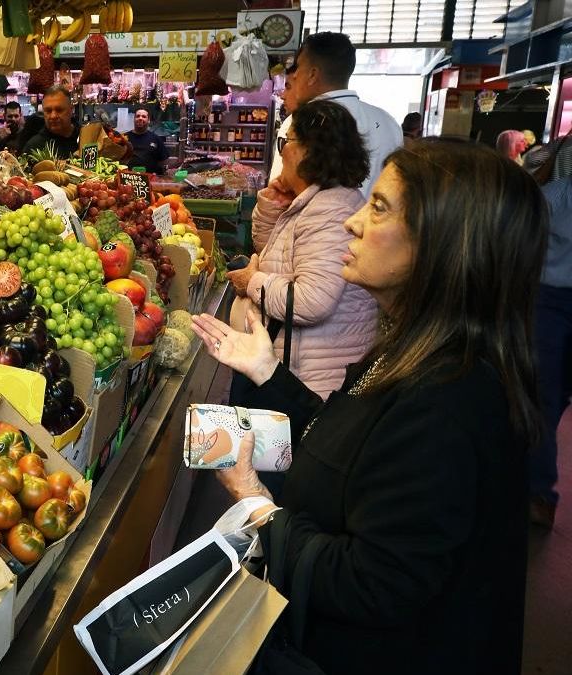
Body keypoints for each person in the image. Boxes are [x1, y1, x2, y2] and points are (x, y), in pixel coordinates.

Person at [193, 137, 542, 674]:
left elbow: (373, 584)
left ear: (443, 243)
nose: (354, 223)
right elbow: (351, 448)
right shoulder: (415, 352)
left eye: (378, 207)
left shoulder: (450, 401)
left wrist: (253, 501)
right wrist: (268, 371)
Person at [225, 100, 378, 397]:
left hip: (312, 383)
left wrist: (252, 282)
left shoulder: (330, 210)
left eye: (286, 142)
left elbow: (312, 300)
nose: (282, 152)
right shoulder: (316, 201)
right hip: (301, 371)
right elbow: (280, 258)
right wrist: (271, 207)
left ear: (309, 149)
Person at [273, 32, 402, 198]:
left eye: (299, 66)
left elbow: (280, 191)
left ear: (312, 75)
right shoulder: (389, 122)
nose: (295, 74)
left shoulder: (301, 123)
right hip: (370, 222)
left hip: (311, 222)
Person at [528, 134, 572, 527]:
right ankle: (538, 489)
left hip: (548, 296)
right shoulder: (557, 168)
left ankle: (539, 490)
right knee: (547, 398)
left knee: (545, 396)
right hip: (550, 296)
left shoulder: (549, 161)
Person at [21, 87, 80, 159]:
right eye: (48, 111)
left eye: (59, 110)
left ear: (71, 110)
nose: (53, 116)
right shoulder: (34, 147)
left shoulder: (87, 136)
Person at [126, 108, 169, 174]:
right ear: (134, 119)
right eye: (137, 116)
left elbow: (163, 161)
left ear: (148, 120)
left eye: (144, 116)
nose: (140, 118)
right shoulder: (125, 138)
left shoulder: (156, 139)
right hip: (128, 178)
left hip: (150, 179)